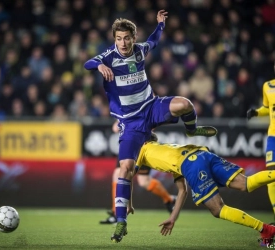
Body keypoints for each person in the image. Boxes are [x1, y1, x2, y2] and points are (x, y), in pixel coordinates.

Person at [84, 9, 217, 242]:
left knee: (185, 104)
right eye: (118, 38)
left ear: (133, 38)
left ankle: (192, 129)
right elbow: (88, 61)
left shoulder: (139, 50)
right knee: (124, 168)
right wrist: (98, 66)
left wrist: (160, 25)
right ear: (114, 39)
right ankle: (121, 222)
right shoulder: (109, 57)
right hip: (131, 122)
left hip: (150, 107)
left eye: (127, 38)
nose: (123, 43)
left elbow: (154, 40)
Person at [132, 139, 275, 246]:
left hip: (192, 164)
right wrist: (173, 218)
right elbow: (182, 191)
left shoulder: (141, 148)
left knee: (217, 209)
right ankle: (266, 229)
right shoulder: (165, 150)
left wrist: (124, 205)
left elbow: (127, 174)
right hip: (202, 154)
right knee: (246, 183)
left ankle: (266, 229)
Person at [100, 122, 176, 224]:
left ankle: (169, 199)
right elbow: (115, 127)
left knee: (144, 182)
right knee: (117, 175)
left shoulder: (143, 109)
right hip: (127, 145)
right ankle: (116, 213)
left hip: (142, 146)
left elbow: (152, 124)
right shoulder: (125, 110)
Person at [247, 61, 275, 219]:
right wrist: (256, 113)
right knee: (272, 175)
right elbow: (268, 107)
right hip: (273, 136)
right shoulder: (268, 86)